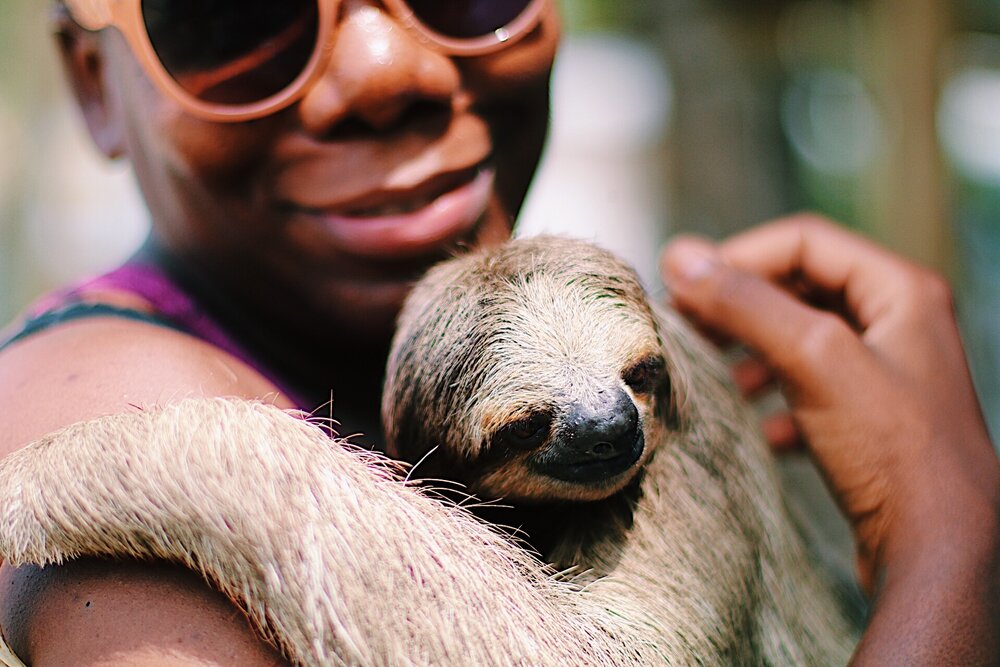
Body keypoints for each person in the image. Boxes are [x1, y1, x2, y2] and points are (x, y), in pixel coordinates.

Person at [0, 0, 995, 663]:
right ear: (94, 83)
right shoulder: (93, 395)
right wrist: (949, 557)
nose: (391, 69)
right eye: (234, 13)